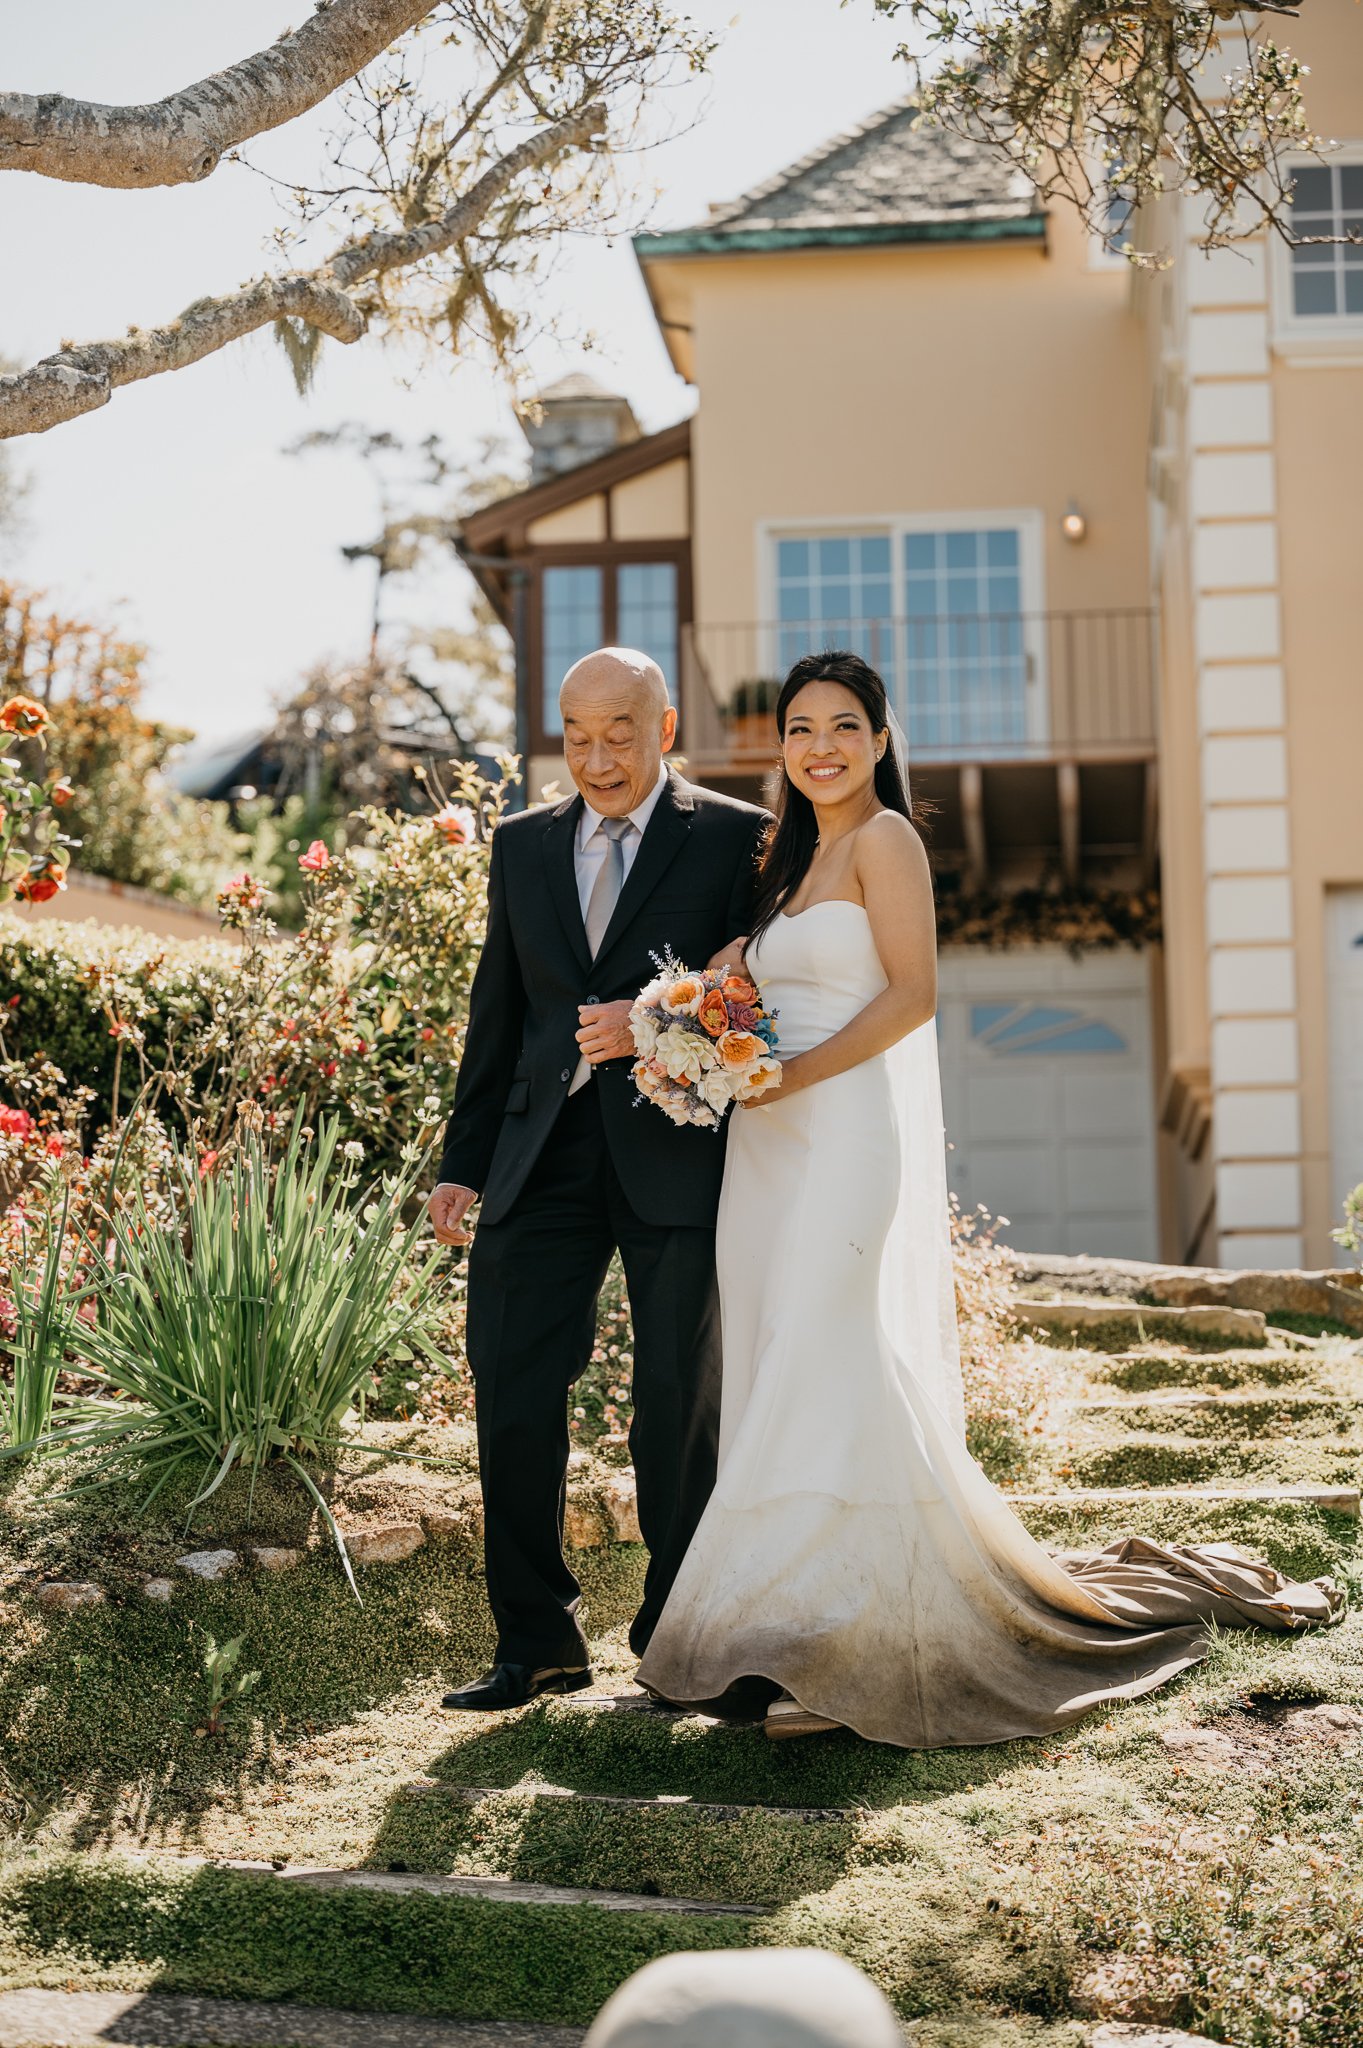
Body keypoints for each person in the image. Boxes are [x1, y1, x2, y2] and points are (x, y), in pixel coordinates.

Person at [637, 649, 1342, 1745]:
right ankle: (774, 1626)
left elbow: (913, 996)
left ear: (877, 737)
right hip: (764, 1154)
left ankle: (852, 1641)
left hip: (842, 1134)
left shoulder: (887, 841)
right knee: (783, 1367)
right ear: (780, 748)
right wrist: (687, 1030)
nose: (819, 745)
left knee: (834, 1352)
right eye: (799, 728)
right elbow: (740, 1000)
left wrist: (786, 1075)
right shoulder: (785, 870)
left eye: (842, 725)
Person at [428, 646, 768, 1711]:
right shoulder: (523, 844)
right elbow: (501, 1012)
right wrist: (462, 1161)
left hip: (673, 1146)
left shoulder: (733, 836)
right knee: (513, 1386)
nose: (597, 755)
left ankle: (678, 1640)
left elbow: (755, 1001)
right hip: (538, 1154)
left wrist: (653, 1019)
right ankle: (535, 1642)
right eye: (576, 734)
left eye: (619, 731)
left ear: (663, 728)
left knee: (676, 1400)